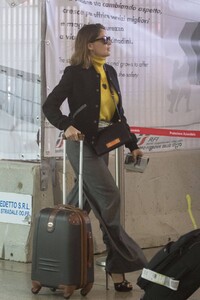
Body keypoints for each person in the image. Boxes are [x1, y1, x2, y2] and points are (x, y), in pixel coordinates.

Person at [43, 23, 147, 292]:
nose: (109, 43)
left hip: (102, 145)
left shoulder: (110, 72)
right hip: (80, 144)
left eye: (109, 39)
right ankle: (121, 264)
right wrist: (67, 125)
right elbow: (49, 105)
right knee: (109, 198)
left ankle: (55, 261)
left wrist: (132, 145)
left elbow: (117, 115)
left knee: (78, 206)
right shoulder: (75, 73)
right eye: (105, 39)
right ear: (90, 44)